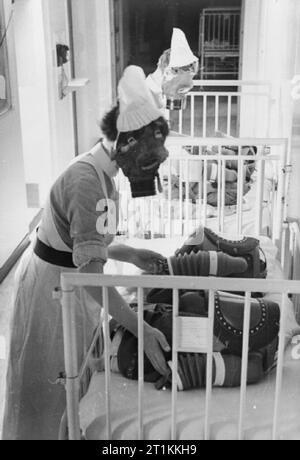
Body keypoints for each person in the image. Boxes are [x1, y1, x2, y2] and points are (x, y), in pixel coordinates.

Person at [2, 66, 170, 440]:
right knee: (48, 388)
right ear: (124, 145)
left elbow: (89, 241)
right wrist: (139, 329)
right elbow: (91, 271)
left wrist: (130, 254)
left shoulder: (104, 173)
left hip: (70, 279)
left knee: (72, 381)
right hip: (52, 289)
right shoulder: (87, 181)